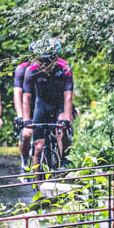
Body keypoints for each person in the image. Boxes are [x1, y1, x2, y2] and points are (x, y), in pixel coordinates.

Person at [21, 37, 74, 179]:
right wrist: (26, 120)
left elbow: (68, 96)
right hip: (42, 105)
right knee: (38, 147)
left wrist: (67, 119)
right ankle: (38, 185)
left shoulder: (65, 68)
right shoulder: (31, 70)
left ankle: (64, 159)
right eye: (40, 60)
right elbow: (26, 97)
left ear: (55, 58)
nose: (43, 64)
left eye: (47, 60)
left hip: (60, 105)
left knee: (62, 128)